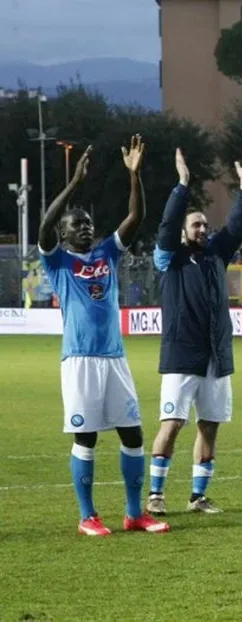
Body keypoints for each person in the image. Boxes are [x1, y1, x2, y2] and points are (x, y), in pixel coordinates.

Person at [40, 136, 168, 535]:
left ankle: (134, 514)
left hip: (114, 358)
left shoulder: (105, 254)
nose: (85, 229)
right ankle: (87, 517)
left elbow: (136, 217)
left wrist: (135, 176)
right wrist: (75, 183)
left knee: (133, 434)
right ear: (63, 234)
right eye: (77, 225)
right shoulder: (58, 262)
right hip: (79, 359)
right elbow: (44, 224)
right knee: (87, 437)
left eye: (88, 224)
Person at [146, 148, 242, 515]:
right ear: (182, 231)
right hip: (181, 356)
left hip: (216, 356)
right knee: (173, 423)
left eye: (205, 225)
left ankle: (197, 496)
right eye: (196, 224)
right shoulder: (169, 258)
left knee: (209, 427)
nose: (203, 229)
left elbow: (237, 226)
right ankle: (156, 494)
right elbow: (165, 227)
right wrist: (182, 187)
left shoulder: (214, 256)